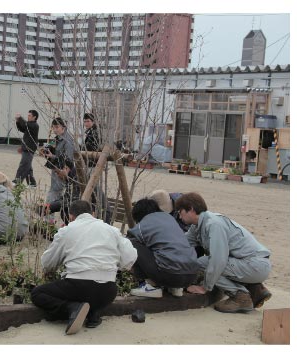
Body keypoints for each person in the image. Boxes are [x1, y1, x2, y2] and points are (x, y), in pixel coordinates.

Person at [31, 200, 137, 335]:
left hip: (78, 286)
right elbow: (130, 258)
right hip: (108, 291)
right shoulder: (112, 230)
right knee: (93, 291)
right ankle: (93, 314)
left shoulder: (67, 230)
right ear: (93, 214)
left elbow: (47, 263)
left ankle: (72, 308)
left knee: (37, 293)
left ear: (70, 217)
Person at [175, 192, 272, 313]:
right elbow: (182, 243)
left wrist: (205, 287)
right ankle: (255, 288)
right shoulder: (198, 226)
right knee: (206, 265)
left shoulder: (214, 225)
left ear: (191, 209)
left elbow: (218, 261)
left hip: (255, 265)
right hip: (248, 264)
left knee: (203, 263)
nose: (179, 216)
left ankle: (240, 297)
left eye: (180, 211)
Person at [127, 199, 200, 298]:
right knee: (163, 247)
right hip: (191, 275)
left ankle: (150, 286)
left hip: (170, 275)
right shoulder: (169, 218)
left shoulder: (143, 224)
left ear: (139, 216)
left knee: (131, 243)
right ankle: (176, 288)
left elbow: (126, 241)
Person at [42, 117, 79, 225]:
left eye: (57, 127)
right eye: (53, 127)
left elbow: (68, 159)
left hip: (62, 171)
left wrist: (64, 172)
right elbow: (59, 155)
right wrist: (51, 155)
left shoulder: (67, 140)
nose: (55, 129)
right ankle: (50, 219)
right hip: (57, 169)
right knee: (55, 194)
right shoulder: (59, 138)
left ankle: (49, 220)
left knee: (54, 194)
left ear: (63, 127)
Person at [14, 110, 39, 187]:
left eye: (29, 115)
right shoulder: (29, 125)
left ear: (34, 117)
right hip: (26, 147)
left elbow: (25, 124)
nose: (28, 117)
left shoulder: (35, 125)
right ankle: (32, 184)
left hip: (30, 149)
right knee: (28, 166)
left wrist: (20, 118)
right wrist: (18, 121)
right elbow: (22, 128)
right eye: (27, 115)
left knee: (24, 165)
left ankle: (17, 181)